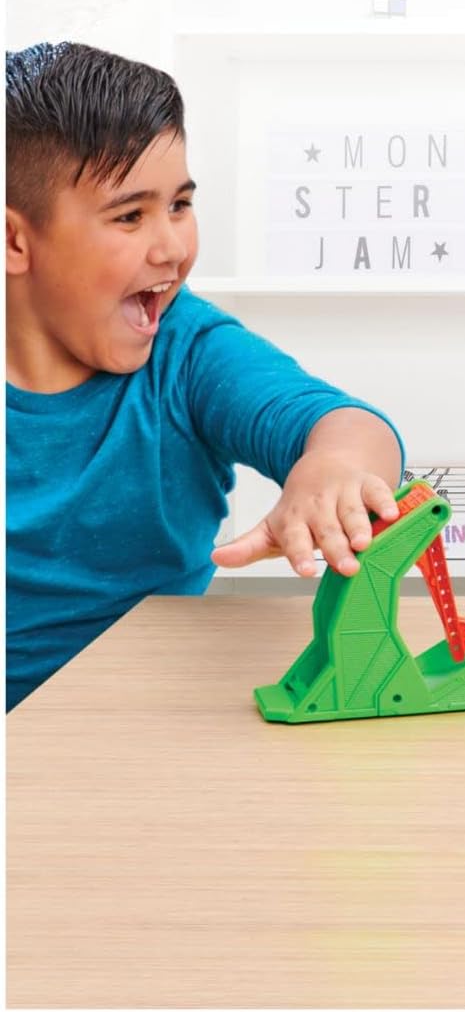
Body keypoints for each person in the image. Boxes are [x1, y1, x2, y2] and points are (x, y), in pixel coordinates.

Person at [6, 41, 406, 709]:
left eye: (180, 206)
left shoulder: (188, 352)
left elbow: (341, 423)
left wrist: (333, 470)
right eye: (130, 216)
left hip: (149, 712)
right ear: (15, 240)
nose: (172, 247)